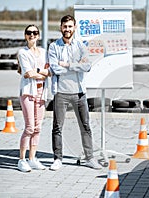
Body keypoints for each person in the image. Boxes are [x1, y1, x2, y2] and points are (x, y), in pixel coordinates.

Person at [48, 15, 101, 170]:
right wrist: (75, 66)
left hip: (79, 93)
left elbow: (87, 66)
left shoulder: (80, 46)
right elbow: (54, 68)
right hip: (61, 93)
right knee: (57, 127)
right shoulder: (54, 47)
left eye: (70, 26)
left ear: (75, 27)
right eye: (65, 26)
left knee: (85, 126)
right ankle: (57, 159)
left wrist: (67, 65)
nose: (67, 29)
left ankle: (90, 158)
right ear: (60, 27)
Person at [17, 24, 51, 172]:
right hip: (28, 92)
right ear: (25, 35)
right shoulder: (22, 52)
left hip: (41, 92)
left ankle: (32, 158)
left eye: (35, 32)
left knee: (37, 128)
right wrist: (41, 73)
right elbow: (27, 74)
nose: (32, 35)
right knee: (29, 127)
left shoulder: (44, 52)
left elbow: (50, 72)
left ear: (38, 35)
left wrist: (39, 72)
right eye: (29, 33)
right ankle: (21, 160)